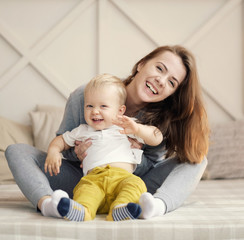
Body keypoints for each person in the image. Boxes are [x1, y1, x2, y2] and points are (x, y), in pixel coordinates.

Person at [5, 45, 209, 221]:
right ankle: (49, 204)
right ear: (141, 64)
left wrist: (131, 150)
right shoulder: (87, 94)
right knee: (16, 150)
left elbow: (151, 164)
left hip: (132, 182)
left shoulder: (161, 119)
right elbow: (62, 146)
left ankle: (156, 206)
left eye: (172, 82)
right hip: (85, 179)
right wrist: (78, 153)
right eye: (159, 68)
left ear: (172, 92)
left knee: (198, 160)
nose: (161, 80)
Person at [44, 73, 163, 221]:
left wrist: (138, 129)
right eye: (89, 106)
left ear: (120, 111)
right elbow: (60, 140)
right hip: (94, 178)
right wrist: (53, 151)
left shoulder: (127, 126)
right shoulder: (82, 130)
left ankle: (121, 208)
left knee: (136, 184)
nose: (95, 111)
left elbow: (157, 137)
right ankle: (83, 211)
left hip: (123, 178)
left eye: (103, 106)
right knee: (85, 189)